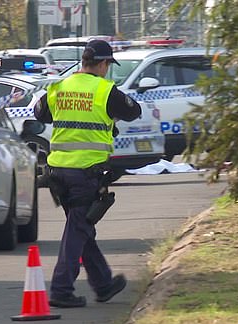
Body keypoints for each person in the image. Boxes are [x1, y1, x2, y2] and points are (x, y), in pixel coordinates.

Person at [34, 39, 142, 308]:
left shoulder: (59, 86)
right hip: (85, 173)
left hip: (57, 172)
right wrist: (110, 118)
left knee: (81, 228)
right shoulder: (105, 90)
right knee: (78, 229)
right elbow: (133, 111)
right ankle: (61, 289)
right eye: (108, 65)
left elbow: (40, 113)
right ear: (104, 63)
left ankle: (103, 284)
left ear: (83, 62)